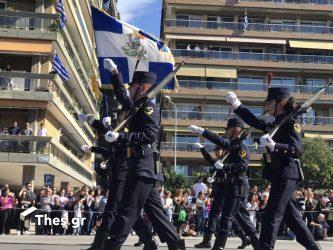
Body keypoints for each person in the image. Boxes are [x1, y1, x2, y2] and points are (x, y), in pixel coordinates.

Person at [102, 58, 185, 250]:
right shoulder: (137, 106)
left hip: (142, 166)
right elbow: (123, 97)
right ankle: (177, 245)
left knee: (127, 211)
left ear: (144, 87)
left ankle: (111, 246)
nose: (130, 89)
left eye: (133, 86)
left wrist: (122, 137)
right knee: (157, 214)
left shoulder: (148, 108)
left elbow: (149, 135)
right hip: (140, 165)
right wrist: (115, 75)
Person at [226, 88, 321, 250]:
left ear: (281, 102)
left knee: (271, 215)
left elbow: (296, 149)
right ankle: (313, 247)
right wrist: (237, 104)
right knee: (292, 218)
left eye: (270, 102)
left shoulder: (292, 122)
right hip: (279, 174)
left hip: (287, 173)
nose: (267, 105)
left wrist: (275, 145)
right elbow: (255, 122)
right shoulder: (276, 123)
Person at [189, 119, 259, 250]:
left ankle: (218, 246)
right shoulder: (232, 145)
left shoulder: (241, 147)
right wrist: (202, 131)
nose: (226, 132)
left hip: (238, 186)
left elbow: (242, 167)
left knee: (226, 218)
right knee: (242, 219)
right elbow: (217, 139)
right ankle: (258, 244)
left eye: (229, 129)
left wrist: (225, 166)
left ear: (236, 130)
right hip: (231, 187)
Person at [194, 144, 251, 249]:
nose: (216, 152)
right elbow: (209, 159)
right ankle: (207, 240)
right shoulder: (218, 161)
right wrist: (202, 149)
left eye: (218, 150)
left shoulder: (227, 160)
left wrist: (217, 180)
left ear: (223, 151)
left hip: (227, 192)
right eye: (215, 150)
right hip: (219, 192)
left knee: (228, 218)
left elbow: (229, 176)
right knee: (214, 216)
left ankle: (244, 237)